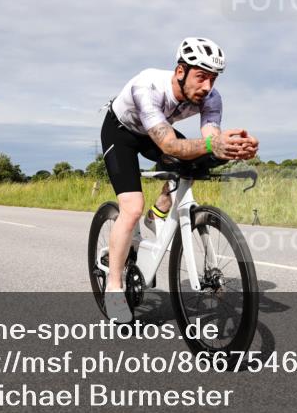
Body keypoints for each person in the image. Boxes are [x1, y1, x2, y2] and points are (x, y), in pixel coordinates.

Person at [100, 38, 258, 322]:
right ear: (181, 71)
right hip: (121, 134)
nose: (208, 86)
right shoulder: (146, 87)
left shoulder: (211, 98)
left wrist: (233, 149)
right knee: (132, 208)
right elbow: (170, 146)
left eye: (213, 78)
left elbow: (210, 142)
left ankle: (158, 211)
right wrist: (213, 146)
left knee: (195, 163)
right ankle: (113, 286)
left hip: (156, 134)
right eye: (201, 77)